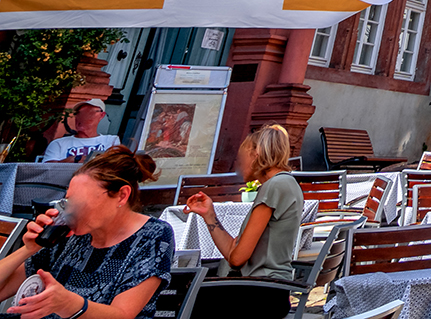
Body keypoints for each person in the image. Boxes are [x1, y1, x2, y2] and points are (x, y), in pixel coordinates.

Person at [0, 145, 171, 318]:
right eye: (69, 202)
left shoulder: (152, 235)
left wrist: (69, 304)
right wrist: (29, 249)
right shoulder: (67, 235)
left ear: (122, 196)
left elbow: (122, 315)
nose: (72, 210)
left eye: (81, 203)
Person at [185, 125, 301, 318]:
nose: (237, 164)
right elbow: (234, 251)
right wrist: (209, 215)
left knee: (185, 298)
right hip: (268, 289)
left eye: (241, 157)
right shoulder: (284, 183)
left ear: (256, 154)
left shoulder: (274, 187)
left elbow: (237, 259)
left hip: (262, 292)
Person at [37, 100, 123, 164]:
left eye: (88, 113)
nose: (82, 118)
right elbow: (46, 171)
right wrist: (70, 161)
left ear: (101, 115)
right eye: (78, 113)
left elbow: (116, 167)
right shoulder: (59, 143)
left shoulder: (111, 141)